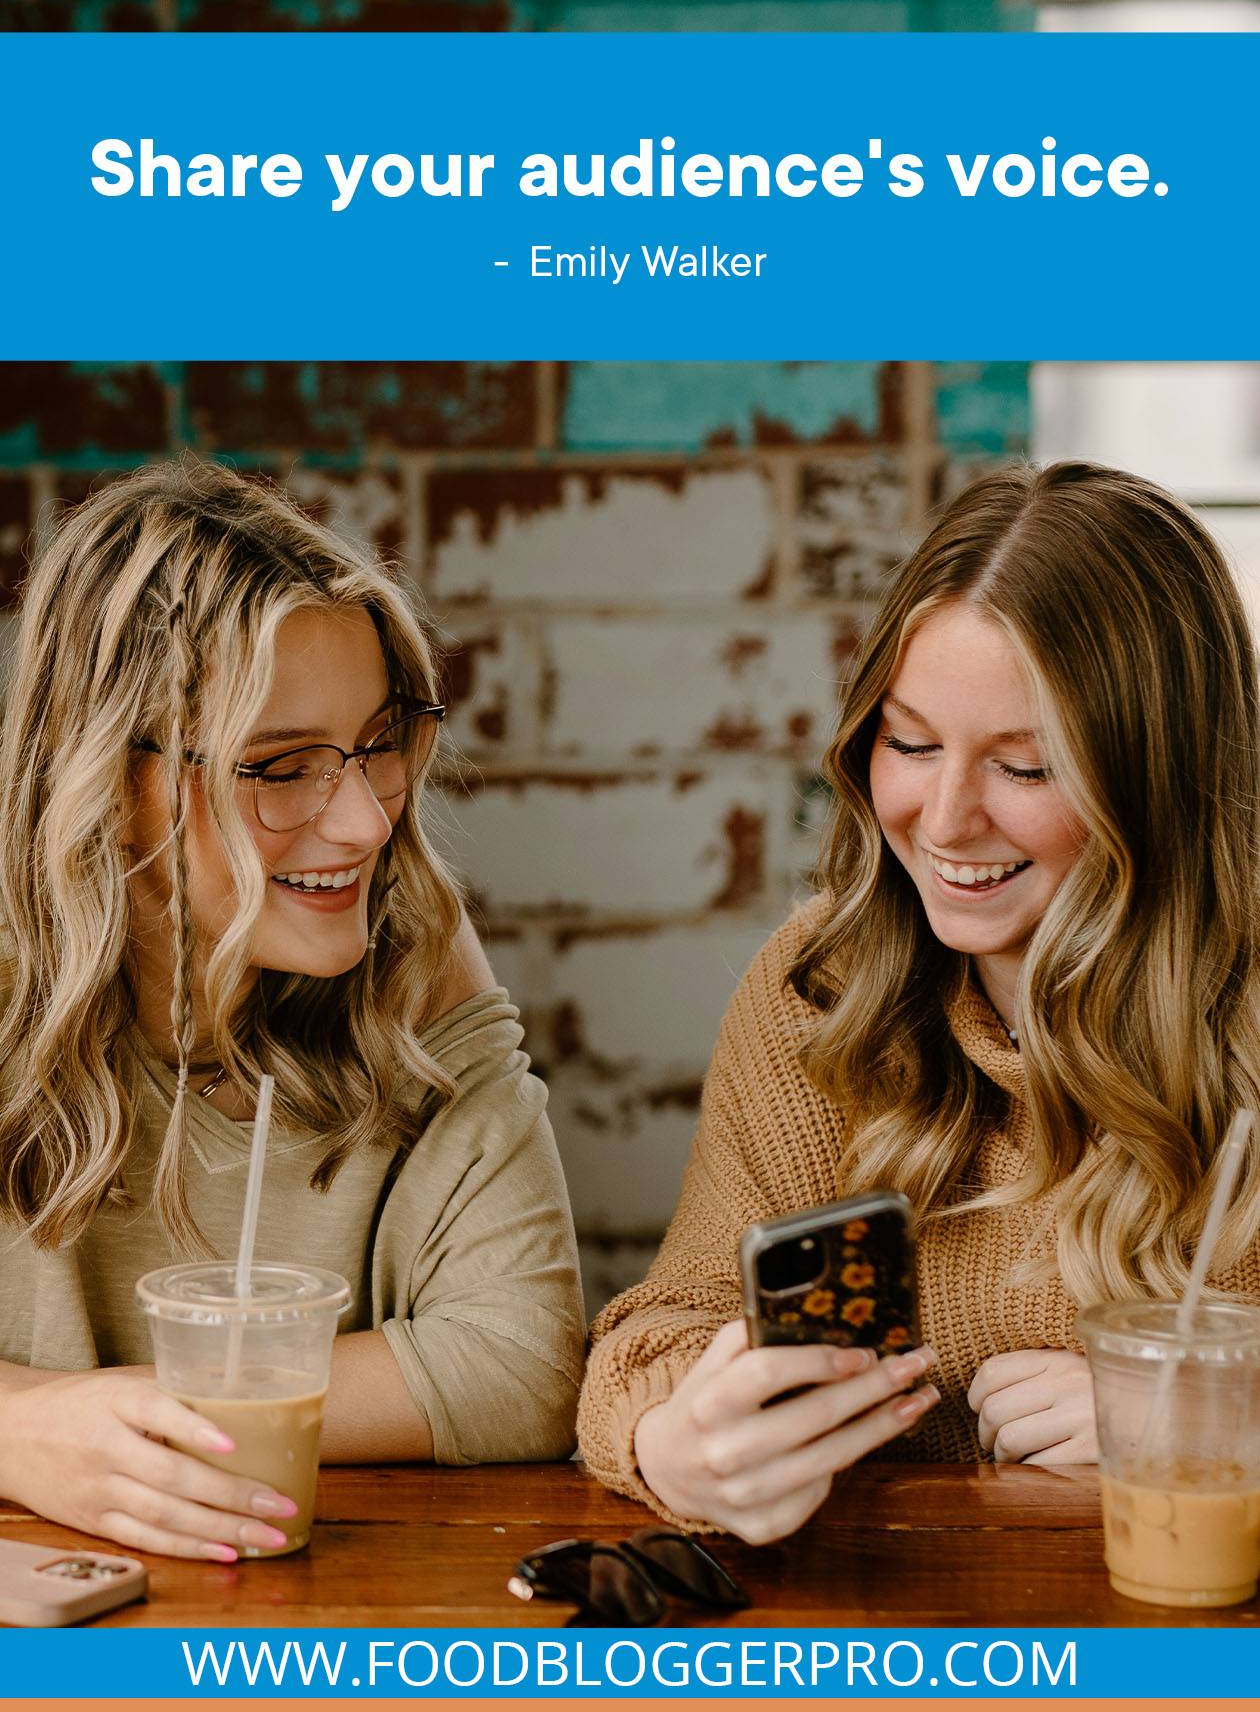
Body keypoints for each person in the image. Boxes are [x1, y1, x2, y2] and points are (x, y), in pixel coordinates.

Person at [577, 460, 1260, 1543]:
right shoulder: (819, 991)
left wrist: (1220, 1412)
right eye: (911, 742)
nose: (943, 821)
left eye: (1026, 768)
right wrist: (674, 1441)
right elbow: (666, 1325)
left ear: (1157, 780)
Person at [0, 458, 585, 1561]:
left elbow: (523, 1363)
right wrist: (17, 1429)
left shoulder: (414, 948)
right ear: (108, 787)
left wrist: (114, 1424)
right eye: (281, 768)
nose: (365, 823)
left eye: (378, 744)